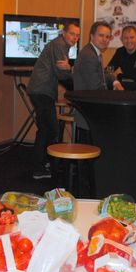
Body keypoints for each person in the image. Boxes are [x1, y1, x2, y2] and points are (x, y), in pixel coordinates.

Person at [26, 21, 81, 179]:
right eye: (72, 34)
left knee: (46, 128)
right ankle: (40, 167)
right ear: (64, 33)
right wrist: (77, 81)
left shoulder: (60, 45)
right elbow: (61, 73)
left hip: (40, 90)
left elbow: (62, 72)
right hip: (42, 90)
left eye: (77, 35)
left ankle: (43, 163)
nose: (75, 38)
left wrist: (69, 69)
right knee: (50, 129)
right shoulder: (59, 45)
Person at [72, 21, 123, 142]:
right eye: (101, 35)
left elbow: (103, 74)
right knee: (88, 149)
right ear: (92, 36)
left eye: (107, 37)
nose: (105, 39)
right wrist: (114, 96)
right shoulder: (89, 55)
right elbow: (95, 88)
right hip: (88, 113)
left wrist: (115, 82)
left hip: (90, 112)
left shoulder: (94, 52)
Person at [106, 26, 136, 91]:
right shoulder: (120, 51)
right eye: (126, 38)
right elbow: (108, 70)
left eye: (132, 37)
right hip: (125, 85)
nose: (129, 41)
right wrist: (114, 81)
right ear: (121, 39)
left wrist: (120, 83)